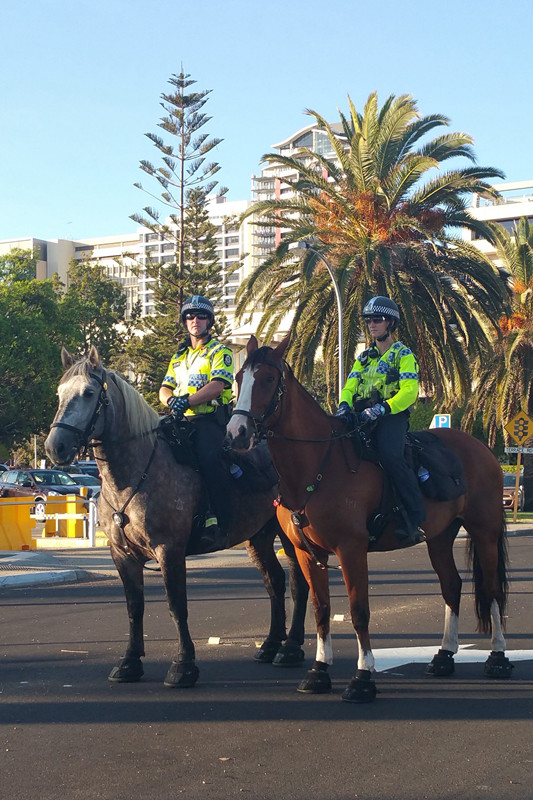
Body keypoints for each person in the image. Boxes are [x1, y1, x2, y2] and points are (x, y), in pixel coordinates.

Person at [335, 296, 425, 546]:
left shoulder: (403, 355)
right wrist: (344, 404)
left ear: (391, 324)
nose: (372, 324)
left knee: (390, 456)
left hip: (391, 417)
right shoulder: (363, 358)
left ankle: (414, 518)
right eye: (369, 320)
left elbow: (409, 391)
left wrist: (383, 408)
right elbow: (350, 385)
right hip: (361, 416)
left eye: (378, 319)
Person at [159, 295, 234, 552]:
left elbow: (218, 385)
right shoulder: (179, 356)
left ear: (209, 321)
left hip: (208, 421)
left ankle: (216, 518)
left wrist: (187, 401)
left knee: (207, 461)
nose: (195, 320)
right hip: (180, 420)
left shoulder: (219, 351)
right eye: (190, 316)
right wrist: (172, 403)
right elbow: (164, 388)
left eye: (201, 316)